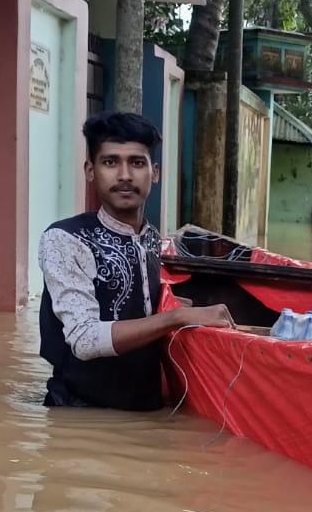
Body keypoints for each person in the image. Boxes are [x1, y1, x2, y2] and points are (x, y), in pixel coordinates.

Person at [38, 110, 231, 409]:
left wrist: (174, 305)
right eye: (110, 162)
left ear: (155, 172)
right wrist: (177, 317)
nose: (125, 175)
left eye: (137, 163)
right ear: (90, 170)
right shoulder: (64, 239)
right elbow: (85, 339)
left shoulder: (151, 237)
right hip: (79, 414)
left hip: (146, 410)